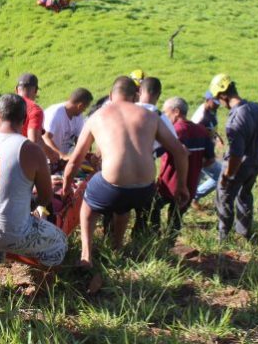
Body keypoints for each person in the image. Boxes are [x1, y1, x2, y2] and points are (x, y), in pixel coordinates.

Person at [62, 76, 188, 268]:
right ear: (136, 96)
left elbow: (74, 161)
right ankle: (117, 248)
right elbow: (179, 151)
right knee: (122, 206)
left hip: (113, 185)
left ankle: (86, 256)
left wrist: (66, 186)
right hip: (145, 190)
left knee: (88, 205)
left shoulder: (98, 116)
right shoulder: (151, 115)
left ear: (111, 95)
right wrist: (181, 186)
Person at [0, 94, 68, 288]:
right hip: (10, 233)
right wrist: (30, 204)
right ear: (24, 119)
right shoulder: (30, 149)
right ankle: (41, 292)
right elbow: (46, 196)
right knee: (59, 242)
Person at [209, 73, 258, 241]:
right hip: (257, 162)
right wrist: (255, 135)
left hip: (240, 165)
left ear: (224, 95)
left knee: (224, 195)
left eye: (218, 98)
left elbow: (237, 155)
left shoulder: (235, 119)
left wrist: (227, 175)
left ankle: (223, 237)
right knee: (244, 195)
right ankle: (243, 234)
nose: (219, 102)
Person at [151, 97, 215, 239]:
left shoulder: (173, 132)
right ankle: (170, 245)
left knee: (153, 208)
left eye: (165, 113)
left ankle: (154, 238)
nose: (164, 117)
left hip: (168, 184)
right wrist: (195, 165)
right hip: (190, 186)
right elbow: (210, 159)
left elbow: (155, 153)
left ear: (176, 111)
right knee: (176, 219)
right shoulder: (202, 131)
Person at [0, 73, 59, 162]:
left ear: (16, 90)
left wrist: (51, 153)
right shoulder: (35, 110)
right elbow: (33, 141)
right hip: (20, 160)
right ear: (36, 90)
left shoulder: (4, 105)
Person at [191, 91, 225, 208]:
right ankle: (193, 197)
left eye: (218, 102)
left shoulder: (212, 110)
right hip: (203, 153)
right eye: (215, 102)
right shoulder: (200, 117)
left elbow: (210, 128)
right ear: (207, 100)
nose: (218, 104)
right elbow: (194, 135)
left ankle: (189, 198)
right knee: (221, 176)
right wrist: (205, 155)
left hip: (208, 149)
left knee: (196, 178)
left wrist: (217, 137)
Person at [43, 88, 93, 161]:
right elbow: (45, 138)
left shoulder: (78, 116)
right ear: (80, 105)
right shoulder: (55, 114)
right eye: (84, 108)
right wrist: (62, 156)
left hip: (62, 159)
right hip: (46, 158)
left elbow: (79, 139)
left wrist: (85, 152)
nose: (84, 111)